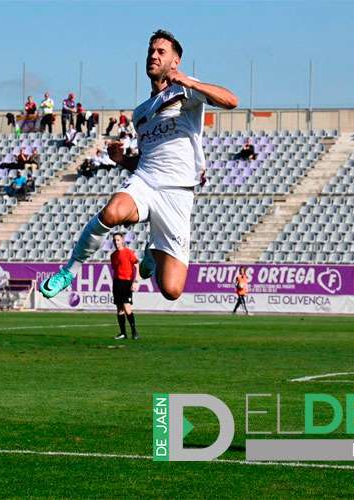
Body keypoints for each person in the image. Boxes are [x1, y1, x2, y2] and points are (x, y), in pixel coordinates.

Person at [40, 30, 238, 301]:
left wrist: (190, 82)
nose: (153, 56)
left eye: (161, 52)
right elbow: (146, 160)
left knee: (171, 290)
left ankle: (153, 255)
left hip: (178, 193)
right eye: (151, 51)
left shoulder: (186, 90)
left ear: (175, 61)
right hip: (145, 181)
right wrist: (123, 161)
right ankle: (69, 270)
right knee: (112, 212)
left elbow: (231, 101)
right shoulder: (141, 112)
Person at [110, 233, 140, 340]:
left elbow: (137, 265)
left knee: (127, 307)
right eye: (114, 240)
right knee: (119, 309)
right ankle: (123, 333)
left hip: (126, 283)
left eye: (118, 240)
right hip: (116, 283)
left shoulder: (128, 252)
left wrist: (136, 281)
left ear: (122, 240)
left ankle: (134, 332)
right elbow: (116, 269)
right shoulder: (113, 255)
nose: (116, 242)